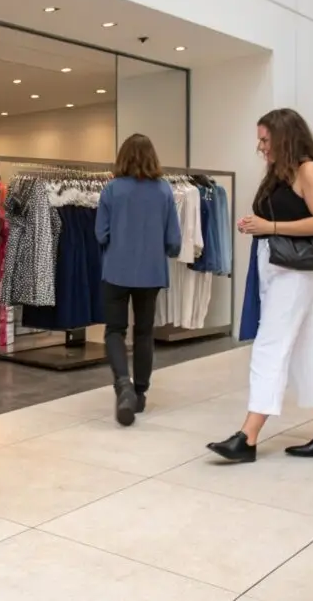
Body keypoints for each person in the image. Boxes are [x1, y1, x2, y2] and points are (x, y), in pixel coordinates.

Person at [208, 108, 313, 463]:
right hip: (276, 267)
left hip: (295, 272)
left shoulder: (309, 170)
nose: (261, 146)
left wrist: (269, 227)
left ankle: (248, 436)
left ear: (285, 136)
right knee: (306, 352)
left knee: (270, 346)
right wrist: (257, 225)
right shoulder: (280, 173)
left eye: (266, 139)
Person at [95, 134, 181, 426]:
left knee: (114, 331)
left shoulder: (112, 189)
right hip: (151, 271)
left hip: (116, 270)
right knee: (144, 332)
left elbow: (100, 234)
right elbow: (174, 240)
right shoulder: (164, 190)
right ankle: (140, 393)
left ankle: (123, 385)